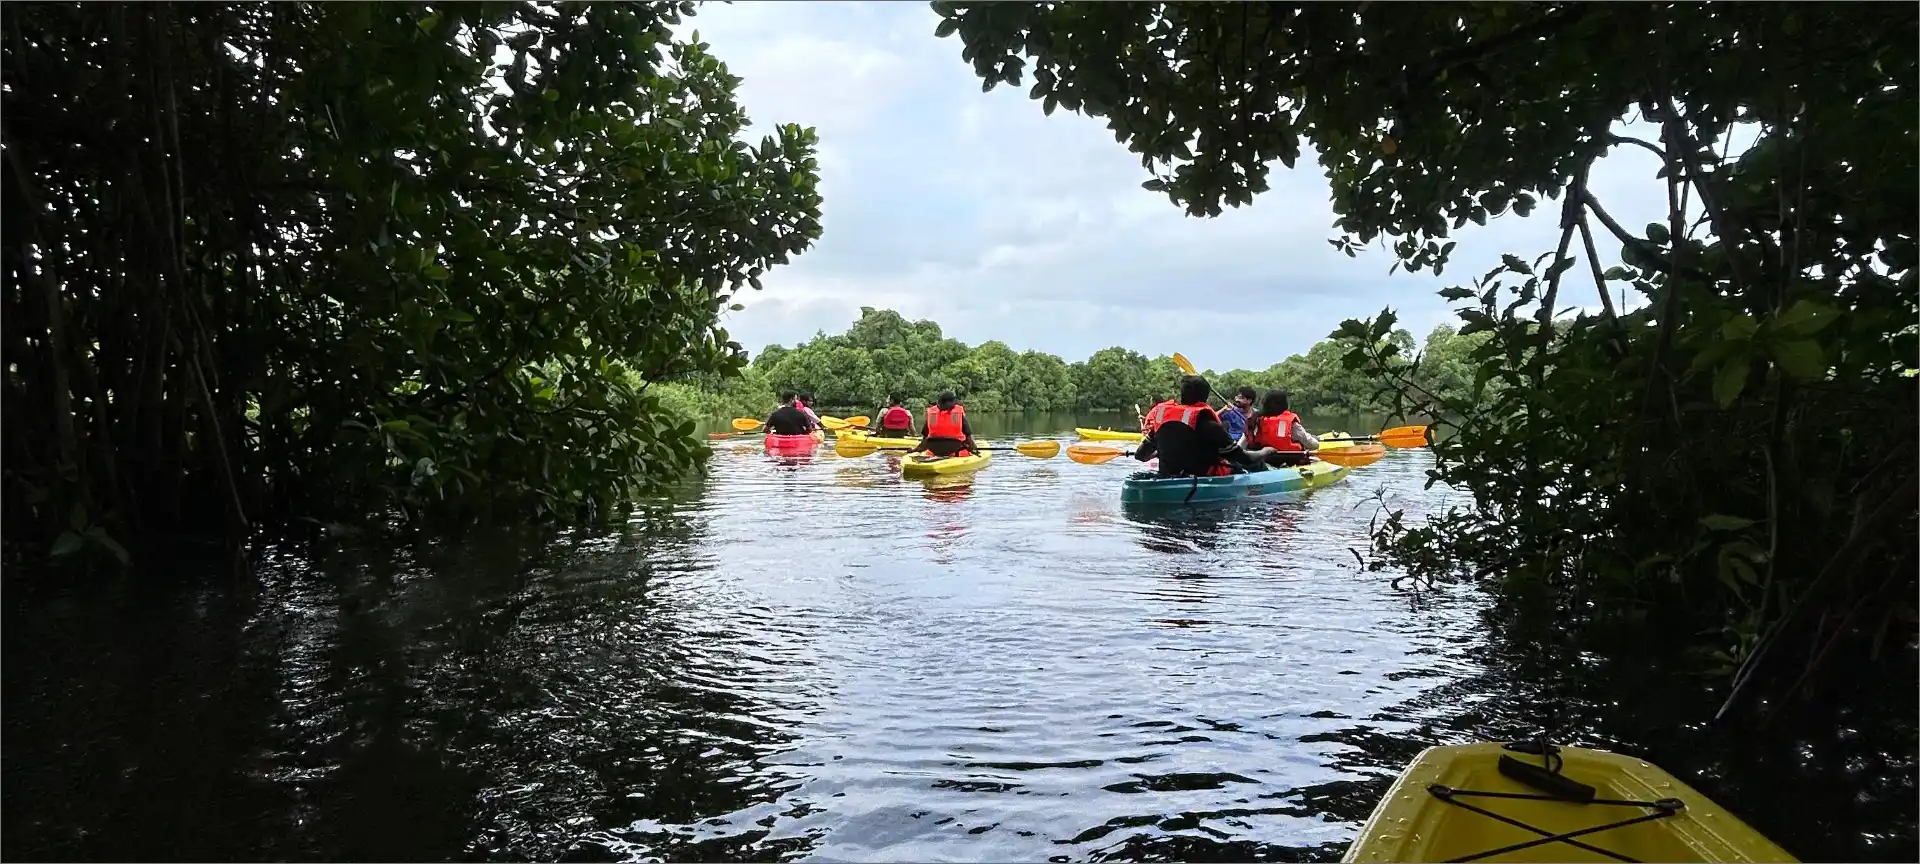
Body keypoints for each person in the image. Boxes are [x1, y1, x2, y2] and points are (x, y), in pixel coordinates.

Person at [1135, 375, 1259, 477]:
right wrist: (1266, 451)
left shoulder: (1162, 422)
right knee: (1254, 465)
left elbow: (1140, 456)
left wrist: (1160, 452)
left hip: (1168, 477)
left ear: (1181, 395)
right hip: (1202, 480)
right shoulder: (1210, 425)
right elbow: (1245, 459)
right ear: (1205, 397)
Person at [1243, 388, 1319, 467]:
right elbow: (1313, 445)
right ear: (1284, 403)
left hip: (1265, 460)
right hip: (1291, 461)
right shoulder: (1291, 423)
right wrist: (1315, 440)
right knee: (1316, 460)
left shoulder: (1256, 420)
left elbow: (1242, 445)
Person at [915, 391, 978, 457]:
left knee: (928, 452)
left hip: (934, 451)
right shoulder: (956, 414)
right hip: (955, 451)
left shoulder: (932, 414)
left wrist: (918, 449)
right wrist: (974, 448)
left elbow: (925, 437)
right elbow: (968, 435)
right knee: (966, 449)